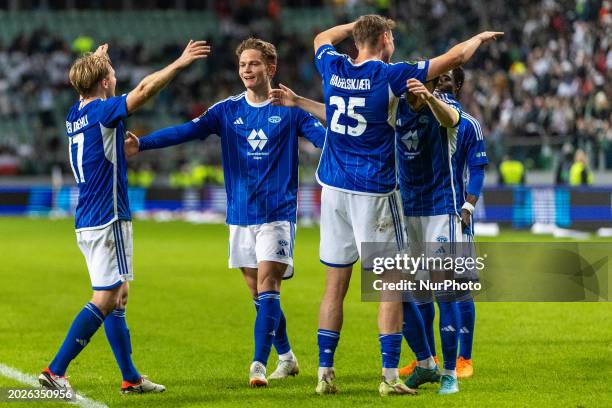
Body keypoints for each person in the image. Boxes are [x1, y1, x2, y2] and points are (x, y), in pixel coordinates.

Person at [300, 14, 502, 395]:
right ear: (384, 39)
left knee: (335, 286)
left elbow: (321, 35)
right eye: (390, 35)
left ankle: (325, 372)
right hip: (374, 190)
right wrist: (478, 37)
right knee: (393, 285)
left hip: (332, 188)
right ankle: (391, 376)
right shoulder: (391, 76)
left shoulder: (333, 64)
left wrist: (355, 27)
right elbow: (456, 55)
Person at [125, 38, 326, 387]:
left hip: (277, 214)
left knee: (268, 286)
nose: (247, 70)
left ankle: (258, 365)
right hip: (239, 215)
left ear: (271, 69)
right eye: (243, 64)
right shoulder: (226, 110)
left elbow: (324, 139)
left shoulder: (291, 109)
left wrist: (349, 147)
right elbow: (187, 131)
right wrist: (143, 143)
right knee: (258, 295)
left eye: (254, 64)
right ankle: (288, 357)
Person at [40, 40, 210, 393]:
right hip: (108, 217)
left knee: (119, 294)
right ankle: (56, 370)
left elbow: (89, 84)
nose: (116, 77)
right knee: (105, 298)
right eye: (112, 73)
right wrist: (178, 63)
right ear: (103, 83)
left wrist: (97, 62)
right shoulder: (104, 111)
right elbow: (145, 89)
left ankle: (130, 377)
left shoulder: (76, 114)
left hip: (87, 217)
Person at [397, 69, 488, 394]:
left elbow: (476, 170)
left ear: (459, 85)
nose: (444, 81)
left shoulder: (466, 123)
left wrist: (469, 205)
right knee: (420, 290)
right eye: (440, 77)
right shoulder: (408, 113)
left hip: (452, 213)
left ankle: (462, 359)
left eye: (450, 78)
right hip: (413, 213)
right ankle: (428, 359)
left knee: (457, 289)